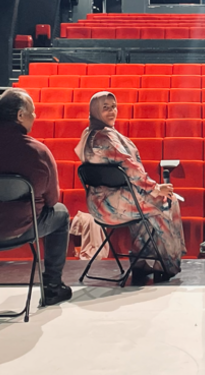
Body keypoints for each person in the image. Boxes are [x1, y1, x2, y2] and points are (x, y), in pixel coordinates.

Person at [0, 89, 73, 306]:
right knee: (61, 214)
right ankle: (52, 287)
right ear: (20, 115)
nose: (35, 117)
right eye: (32, 112)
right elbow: (52, 200)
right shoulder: (38, 151)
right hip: (19, 228)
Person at [78, 91, 185, 284]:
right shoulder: (104, 138)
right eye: (105, 107)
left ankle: (140, 263)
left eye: (113, 106)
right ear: (95, 110)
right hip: (111, 205)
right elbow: (129, 167)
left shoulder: (89, 135)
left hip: (101, 203)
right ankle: (166, 265)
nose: (112, 111)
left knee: (144, 210)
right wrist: (155, 187)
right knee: (168, 201)